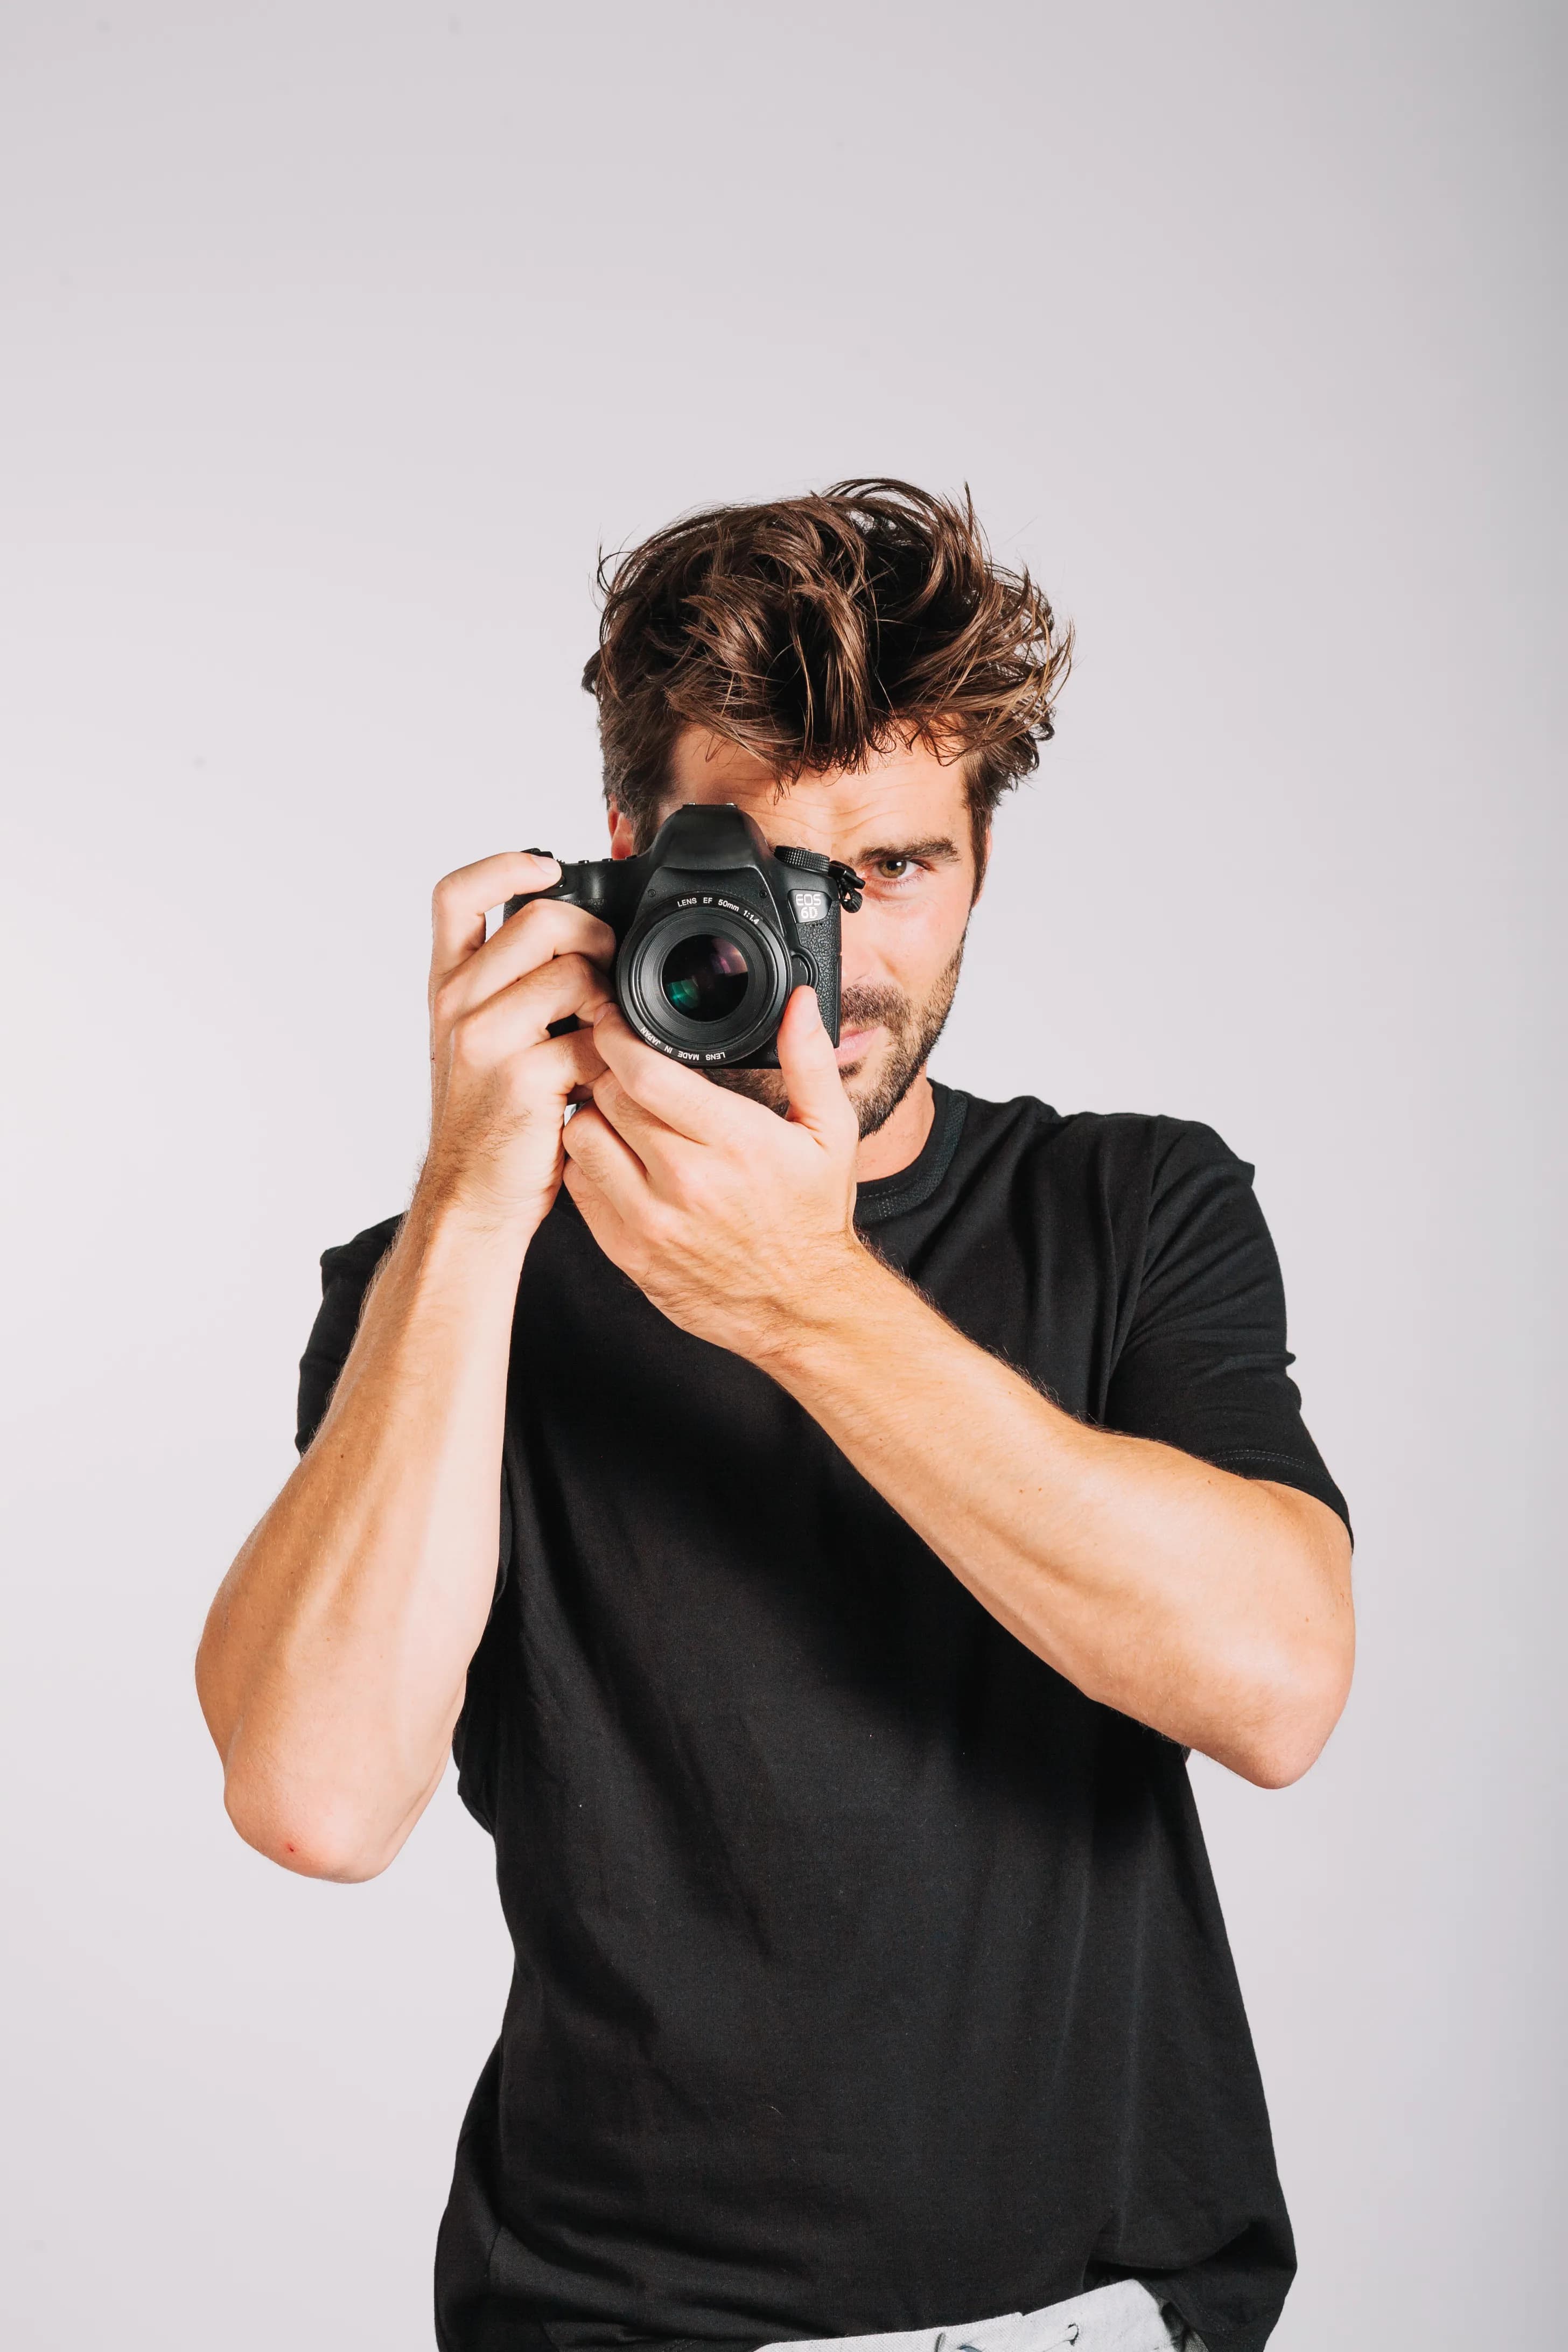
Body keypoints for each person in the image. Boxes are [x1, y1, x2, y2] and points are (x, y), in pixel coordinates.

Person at [196, 481, 1354, 2352]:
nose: (834, 955)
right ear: (630, 855)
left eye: (895, 868)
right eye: (768, 875)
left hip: (1084, 2305)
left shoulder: (1133, 1210)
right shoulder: (446, 1284)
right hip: (605, 2315)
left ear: (983, 863)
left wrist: (803, 1302)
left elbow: (1279, 1686)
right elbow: (315, 1800)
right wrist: (474, 1195)